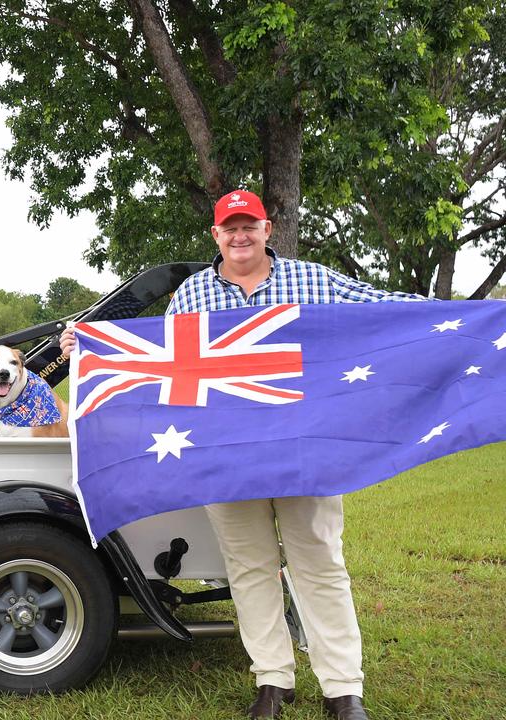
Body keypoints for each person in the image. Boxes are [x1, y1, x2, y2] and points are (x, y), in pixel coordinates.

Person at [62, 190, 425, 720]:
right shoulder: (191, 296)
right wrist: (92, 345)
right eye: (230, 228)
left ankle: (344, 689)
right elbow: (157, 358)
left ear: (267, 228)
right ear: (216, 235)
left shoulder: (313, 280)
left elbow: (381, 308)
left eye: (249, 225)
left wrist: (465, 320)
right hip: (224, 455)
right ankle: (272, 681)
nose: (240, 236)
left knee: (319, 564)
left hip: (304, 450)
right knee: (250, 568)